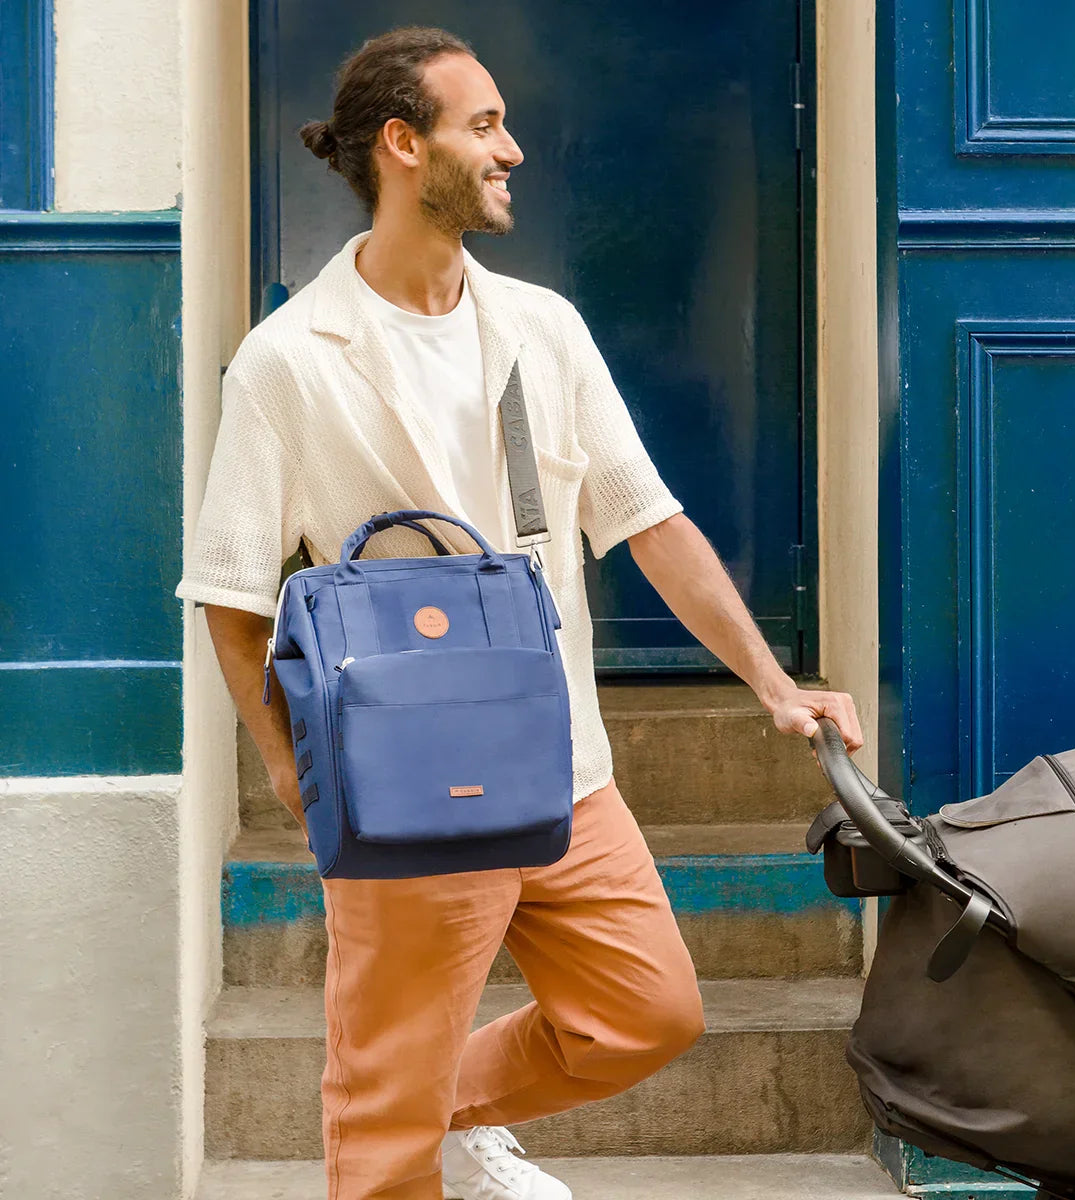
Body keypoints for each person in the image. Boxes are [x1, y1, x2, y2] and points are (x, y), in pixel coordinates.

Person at [176, 25, 863, 1200]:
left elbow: (648, 521)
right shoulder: (289, 361)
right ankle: (401, 1113)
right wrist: (292, 772)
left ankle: (438, 1101)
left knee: (644, 1010)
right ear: (403, 145)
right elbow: (232, 593)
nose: (516, 149)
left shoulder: (540, 328)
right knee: (380, 1135)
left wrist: (772, 682)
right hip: (396, 783)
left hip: (560, 767)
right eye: (484, 124)